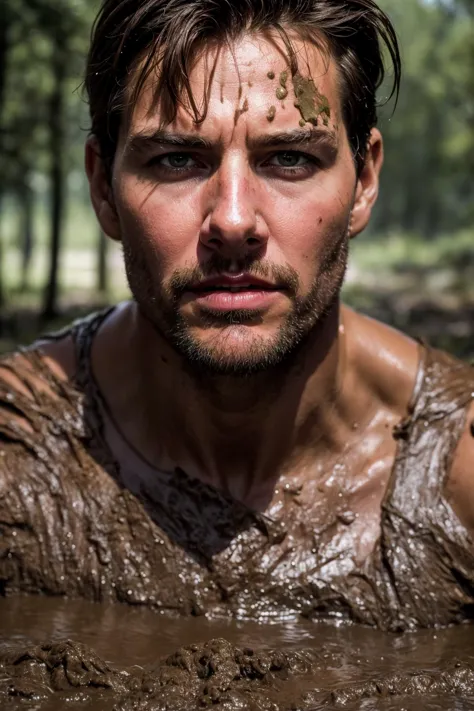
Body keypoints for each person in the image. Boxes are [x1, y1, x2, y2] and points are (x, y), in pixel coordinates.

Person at [0, 0, 473, 632]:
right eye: (175, 159)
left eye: (289, 158)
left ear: (363, 181)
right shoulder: (17, 457)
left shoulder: (459, 473)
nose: (232, 220)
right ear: (103, 189)